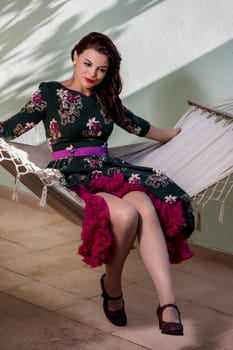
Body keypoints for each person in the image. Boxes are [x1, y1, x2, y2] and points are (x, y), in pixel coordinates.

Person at [0, 32, 195, 335]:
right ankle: (112, 287)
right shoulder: (50, 93)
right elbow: (15, 124)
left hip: (108, 168)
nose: (93, 74)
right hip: (72, 172)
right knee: (128, 214)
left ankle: (168, 303)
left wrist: (174, 135)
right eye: (88, 64)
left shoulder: (106, 97)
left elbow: (136, 125)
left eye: (101, 69)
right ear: (75, 55)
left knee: (145, 205)